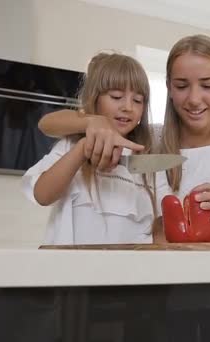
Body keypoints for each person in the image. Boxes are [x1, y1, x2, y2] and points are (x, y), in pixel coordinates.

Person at [38, 35, 210, 342]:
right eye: (182, 85)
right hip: (158, 295)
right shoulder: (150, 141)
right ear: (169, 89)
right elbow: (49, 123)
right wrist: (95, 122)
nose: (194, 98)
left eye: (207, 85)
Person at [21, 51, 155, 245]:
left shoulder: (145, 154)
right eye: (116, 96)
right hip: (70, 270)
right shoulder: (72, 145)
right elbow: (42, 195)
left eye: (138, 100)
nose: (128, 106)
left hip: (125, 271)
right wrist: (82, 149)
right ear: (95, 98)